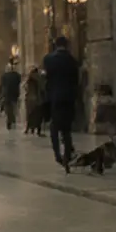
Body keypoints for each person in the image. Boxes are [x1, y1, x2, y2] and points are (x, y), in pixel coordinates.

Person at [44, 36, 80, 171]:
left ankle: (57, 154)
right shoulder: (72, 60)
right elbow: (76, 81)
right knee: (66, 129)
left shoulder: (48, 59)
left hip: (55, 97)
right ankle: (67, 156)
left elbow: (47, 79)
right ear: (67, 45)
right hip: (69, 97)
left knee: (54, 126)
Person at [1, 60, 22, 130]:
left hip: (7, 94)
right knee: (14, 108)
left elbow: (3, 85)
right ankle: (12, 120)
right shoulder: (17, 75)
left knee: (8, 109)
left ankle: (10, 121)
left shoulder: (4, 76)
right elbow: (19, 83)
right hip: (15, 94)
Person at [24, 67, 44, 135]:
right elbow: (42, 89)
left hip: (29, 98)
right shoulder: (39, 78)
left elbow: (26, 88)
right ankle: (38, 130)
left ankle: (28, 129)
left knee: (29, 114)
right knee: (38, 115)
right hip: (37, 99)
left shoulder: (29, 79)